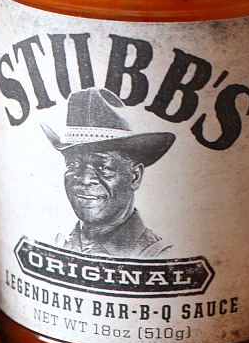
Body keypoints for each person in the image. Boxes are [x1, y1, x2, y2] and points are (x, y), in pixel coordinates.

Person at [42, 87, 176, 258]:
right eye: (74, 163)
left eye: (102, 167)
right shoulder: (59, 241)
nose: (84, 179)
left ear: (135, 176)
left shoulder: (160, 255)